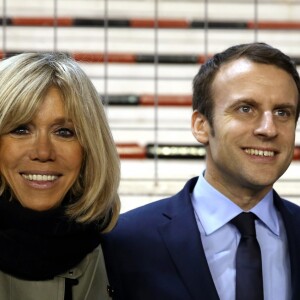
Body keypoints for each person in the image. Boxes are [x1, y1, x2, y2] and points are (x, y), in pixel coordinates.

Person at [101, 42, 300, 300]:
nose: (268, 128)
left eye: (282, 112)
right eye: (245, 109)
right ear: (201, 126)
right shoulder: (124, 241)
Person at [0, 52, 120, 299]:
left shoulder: (130, 253)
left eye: (64, 132)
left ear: (90, 147)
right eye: (21, 129)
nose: (42, 152)